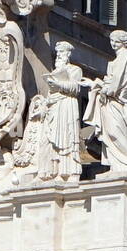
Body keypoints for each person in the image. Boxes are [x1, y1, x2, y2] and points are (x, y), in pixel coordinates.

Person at [83, 30, 127, 178]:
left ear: (123, 42)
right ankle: (118, 164)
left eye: (116, 41)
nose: (113, 44)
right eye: (112, 41)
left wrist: (104, 90)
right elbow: (111, 81)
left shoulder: (125, 55)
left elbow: (116, 82)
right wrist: (94, 84)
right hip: (111, 101)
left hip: (117, 101)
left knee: (115, 132)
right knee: (111, 133)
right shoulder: (120, 57)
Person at [37, 41, 85, 181]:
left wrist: (58, 83)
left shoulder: (75, 70)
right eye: (57, 52)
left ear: (68, 54)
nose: (59, 55)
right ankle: (50, 172)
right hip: (53, 106)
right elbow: (50, 93)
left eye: (62, 52)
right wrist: (44, 107)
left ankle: (66, 172)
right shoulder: (54, 72)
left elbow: (76, 88)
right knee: (48, 140)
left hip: (66, 105)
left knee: (65, 138)